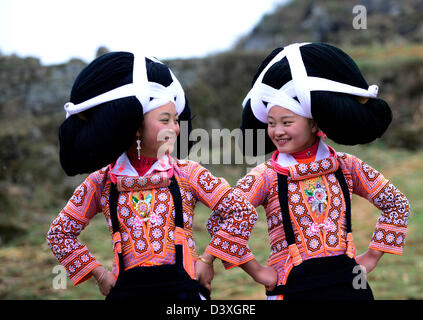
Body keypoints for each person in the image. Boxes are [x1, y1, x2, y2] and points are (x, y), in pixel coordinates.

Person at [46, 52, 276, 300]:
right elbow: (59, 232)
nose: (176, 128)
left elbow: (240, 210)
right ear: (135, 128)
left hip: (185, 294)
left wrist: (208, 259)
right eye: (165, 120)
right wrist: (99, 274)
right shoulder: (101, 182)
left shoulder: (188, 174)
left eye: (176, 120)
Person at [207, 42, 410, 300]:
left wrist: (372, 255)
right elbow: (221, 219)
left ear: (314, 123)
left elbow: (397, 204)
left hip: (349, 289)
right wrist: (257, 270)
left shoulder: (345, 166)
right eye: (271, 123)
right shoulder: (265, 175)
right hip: (291, 289)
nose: (277, 131)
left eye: (287, 122)